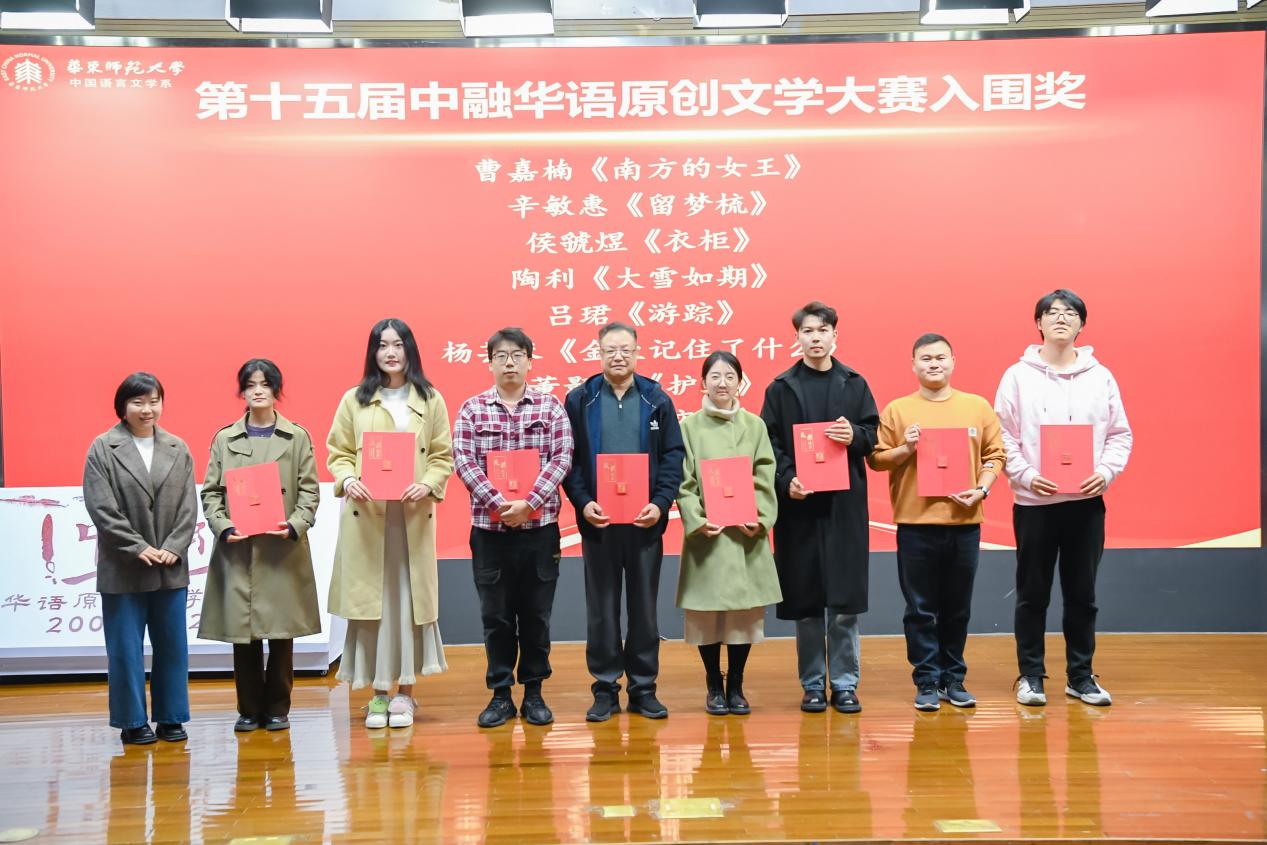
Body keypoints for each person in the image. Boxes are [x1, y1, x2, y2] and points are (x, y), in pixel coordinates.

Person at [994, 289, 1132, 707]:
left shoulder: (1100, 376)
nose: (1061, 318)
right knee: (1032, 594)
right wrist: (1026, 475)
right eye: (1052, 313)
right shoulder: (1017, 376)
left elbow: (1119, 434)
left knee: (1082, 595)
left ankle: (1081, 676)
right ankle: (1031, 676)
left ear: (1081, 325)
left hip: (1086, 505)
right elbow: (1003, 435)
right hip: (1034, 504)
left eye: (1070, 313)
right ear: (1038, 323)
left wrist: (1105, 472)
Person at [327, 318, 455, 728]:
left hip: (411, 515)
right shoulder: (355, 399)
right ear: (373, 352)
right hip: (368, 517)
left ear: (409, 349)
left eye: (398, 344)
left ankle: (406, 693)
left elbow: (443, 455)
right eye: (382, 345)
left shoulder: (430, 399)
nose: (390, 353)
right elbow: (338, 452)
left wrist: (428, 483)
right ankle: (378, 694)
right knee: (374, 603)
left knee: (407, 600)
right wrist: (348, 479)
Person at [868, 334, 1005, 711]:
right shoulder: (897, 410)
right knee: (920, 609)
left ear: (953, 362)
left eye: (940, 357)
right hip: (915, 524)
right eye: (926, 358)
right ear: (913, 364)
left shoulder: (976, 407)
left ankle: (953, 678)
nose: (934, 364)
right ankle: (927, 679)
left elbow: (996, 454)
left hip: (964, 523)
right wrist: (907, 448)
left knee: (957, 608)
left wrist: (982, 488)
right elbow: (876, 459)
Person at [760, 301, 879, 715]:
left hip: (844, 507)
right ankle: (812, 684)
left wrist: (854, 435)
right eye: (808, 331)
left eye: (822, 330)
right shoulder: (780, 388)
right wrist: (786, 479)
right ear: (797, 337)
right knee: (808, 602)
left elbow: (873, 434)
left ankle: (844, 684)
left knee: (843, 604)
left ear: (834, 335)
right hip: (801, 506)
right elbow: (769, 445)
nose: (815, 338)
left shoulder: (855, 383)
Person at [562, 322, 685, 721]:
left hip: (644, 524)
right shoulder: (580, 400)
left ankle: (644, 688)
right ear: (599, 353)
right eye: (610, 350)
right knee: (602, 609)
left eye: (625, 350)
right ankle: (605, 689)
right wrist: (583, 502)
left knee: (644, 610)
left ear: (637, 352)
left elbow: (673, 455)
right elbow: (569, 460)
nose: (618, 356)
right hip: (598, 524)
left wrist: (661, 503)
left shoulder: (656, 399)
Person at [453, 327, 574, 728]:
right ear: (490, 362)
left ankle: (534, 693)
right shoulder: (472, 409)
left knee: (537, 615)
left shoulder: (550, 406)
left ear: (529, 361)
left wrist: (529, 504)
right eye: (501, 356)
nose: (509, 362)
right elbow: (464, 460)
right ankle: (501, 695)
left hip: (540, 530)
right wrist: (500, 504)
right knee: (497, 617)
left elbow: (562, 457)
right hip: (490, 532)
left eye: (517, 355)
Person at [199, 358, 322, 732]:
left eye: (265, 384)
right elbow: (211, 492)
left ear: (276, 390)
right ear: (242, 391)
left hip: (282, 548)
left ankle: (279, 707)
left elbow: (310, 490)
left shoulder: (296, 437)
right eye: (250, 384)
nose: (257, 390)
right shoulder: (225, 439)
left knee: (282, 635)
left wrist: (295, 524)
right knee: (244, 634)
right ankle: (249, 708)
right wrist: (223, 526)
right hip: (240, 547)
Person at [83, 372, 198, 745]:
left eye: (154, 401)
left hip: (169, 566)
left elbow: (188, 507)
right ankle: (132, 722)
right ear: (122, 407)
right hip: (123, 568)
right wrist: (136, 547)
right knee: (125, 650)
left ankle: (171, 718)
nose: (147, 409)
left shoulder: (177, 447)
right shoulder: (103, 447)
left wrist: (174, 546)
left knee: (173, 648)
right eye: (138, 402)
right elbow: (101, 507)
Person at [675, 351, 782, 716]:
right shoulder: (689, 427)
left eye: (729, 376)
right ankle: (713, 682)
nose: (722, 383)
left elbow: (766, 475)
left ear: (740, 382)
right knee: (706, 614)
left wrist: (761, 517)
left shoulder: (755, 425)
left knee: (743, 615)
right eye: (715, 377)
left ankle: (735, 683)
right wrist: (696, 519)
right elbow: (684, 481)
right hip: (708, 533)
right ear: (702, 383)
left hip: (744, 533)